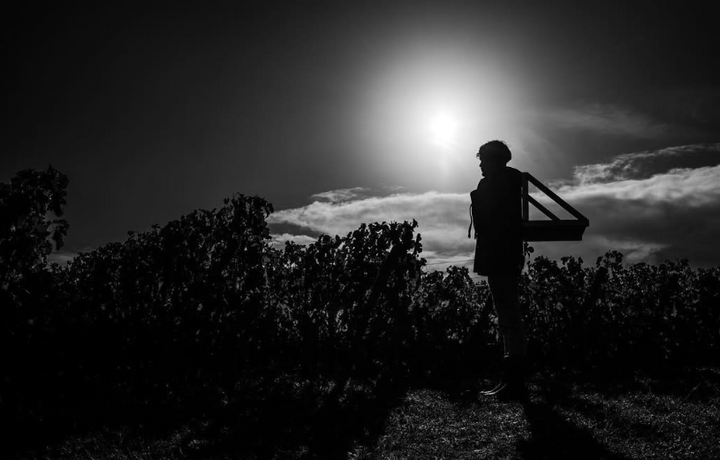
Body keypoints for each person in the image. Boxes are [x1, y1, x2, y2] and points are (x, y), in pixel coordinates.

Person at [470, 140, 528, 401]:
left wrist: (476, 196)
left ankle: (514, 382)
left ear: (494, 160)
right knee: (508, 314)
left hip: (498, 255)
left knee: (508, 315)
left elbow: (485, 221)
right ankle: (512, 380)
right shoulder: (512, 181)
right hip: (507, 254)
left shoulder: (494, 184)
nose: (481, 164)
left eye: (483, 159)